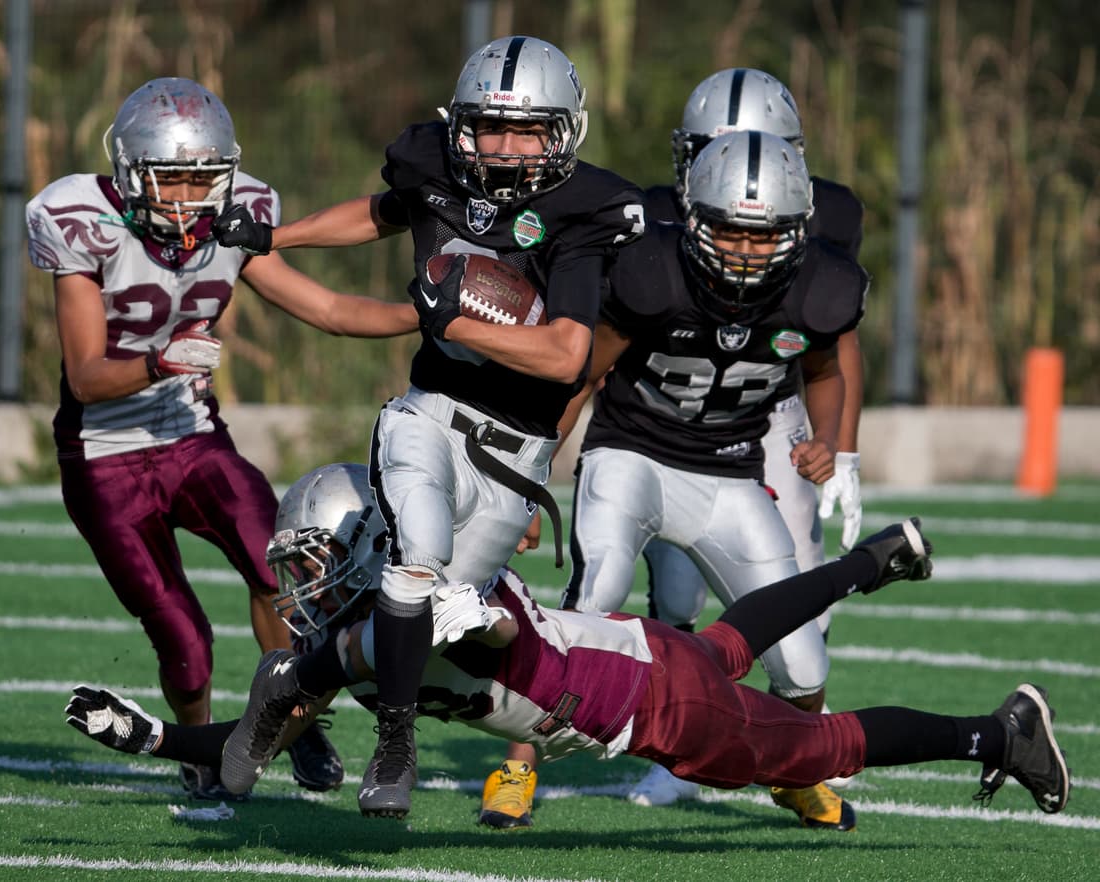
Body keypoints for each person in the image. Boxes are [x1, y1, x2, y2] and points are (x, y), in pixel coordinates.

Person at [63, 463, 1072, 825]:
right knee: (722, 642)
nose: (302, 588)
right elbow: (265, 730)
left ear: (371, 549)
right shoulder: (372, 636)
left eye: (318, 563)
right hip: (631, 656)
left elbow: (490, 622)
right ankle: (869, 562)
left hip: (639, 704)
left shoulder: (427, 603)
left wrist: (477, 614)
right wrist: (157, 741)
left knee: (818, 749)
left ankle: (996, 732)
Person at [211, 36, 645, 818]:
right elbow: (382, 213)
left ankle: (287, 685)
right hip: (431, 414)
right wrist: (276, 237)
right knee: (417, 562)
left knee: (431, 624)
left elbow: (566, 355)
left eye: (528, 132)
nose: (507, 150)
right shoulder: (433, 166)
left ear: (564, 133)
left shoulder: (586, 211)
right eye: (489, 129)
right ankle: (396, 747)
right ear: (460, 126)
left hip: (516, 452)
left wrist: (459, 323)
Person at [25, 77, 417, 800]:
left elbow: (327, 308)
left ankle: (286, 717)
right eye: (170, 179)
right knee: (185, 641)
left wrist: (430, 316)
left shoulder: (235, 222)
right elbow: (84, 376)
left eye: (202, 179)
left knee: (286, 570)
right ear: (131, 174)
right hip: (105, 455)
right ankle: (200, 752)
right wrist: (159, 359)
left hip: (192, 436)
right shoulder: (80, 220)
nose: (186, 198)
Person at [480, 128, 867, 831]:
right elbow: (581, 375)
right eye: (730, 231)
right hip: (633, 454)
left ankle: (797, 771)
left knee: (805, 666)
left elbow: (824, 370)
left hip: (729, 473)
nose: (746, 250)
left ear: (797, 229)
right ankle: (516, 768)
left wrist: (829, 441)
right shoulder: (651, 271)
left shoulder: (822, 286)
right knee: (591, 603)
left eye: (765, 234)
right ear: (692, 219)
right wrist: (530, 481)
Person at [607, 66, 873, 810]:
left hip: (775, 412)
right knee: (679, 591)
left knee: (798, 595)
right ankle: (679, 745)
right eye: (708, 151)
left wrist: (842, 448)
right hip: (678, 423)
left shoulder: (829, 216)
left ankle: (801, 752)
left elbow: (833, 342)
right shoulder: (654, 219)